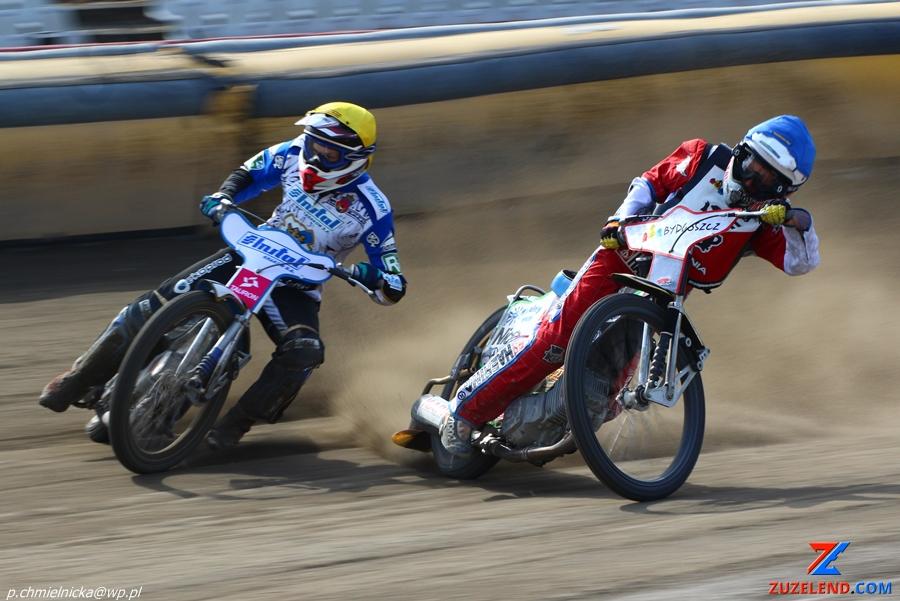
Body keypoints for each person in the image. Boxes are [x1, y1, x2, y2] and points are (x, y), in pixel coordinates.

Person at [440, 114, 820, 456]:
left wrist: (797, 222)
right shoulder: (703, 157)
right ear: (741, 151)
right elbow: (650, 182)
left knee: (608, 392)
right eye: (752, 167)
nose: (753, 181)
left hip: (663, 293)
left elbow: (800, 262)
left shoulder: (764, 220)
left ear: (784, 192)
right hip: (621, 255)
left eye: (769, 181)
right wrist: (620, 219)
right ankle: (462, 413)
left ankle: (549, 424)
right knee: (555, 342)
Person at [39, 101, 407, 449]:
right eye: (313, 144)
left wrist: (375, 278)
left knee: (305, 351)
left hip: (295, 287)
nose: (313, 156)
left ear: (355, 158)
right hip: (250, 254)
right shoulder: (292, 151)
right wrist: (224, 196)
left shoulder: (372, 208)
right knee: (153, 305)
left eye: (328, 152)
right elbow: (249, 173)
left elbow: (392, 280)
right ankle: (79, 378)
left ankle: (235, 425)